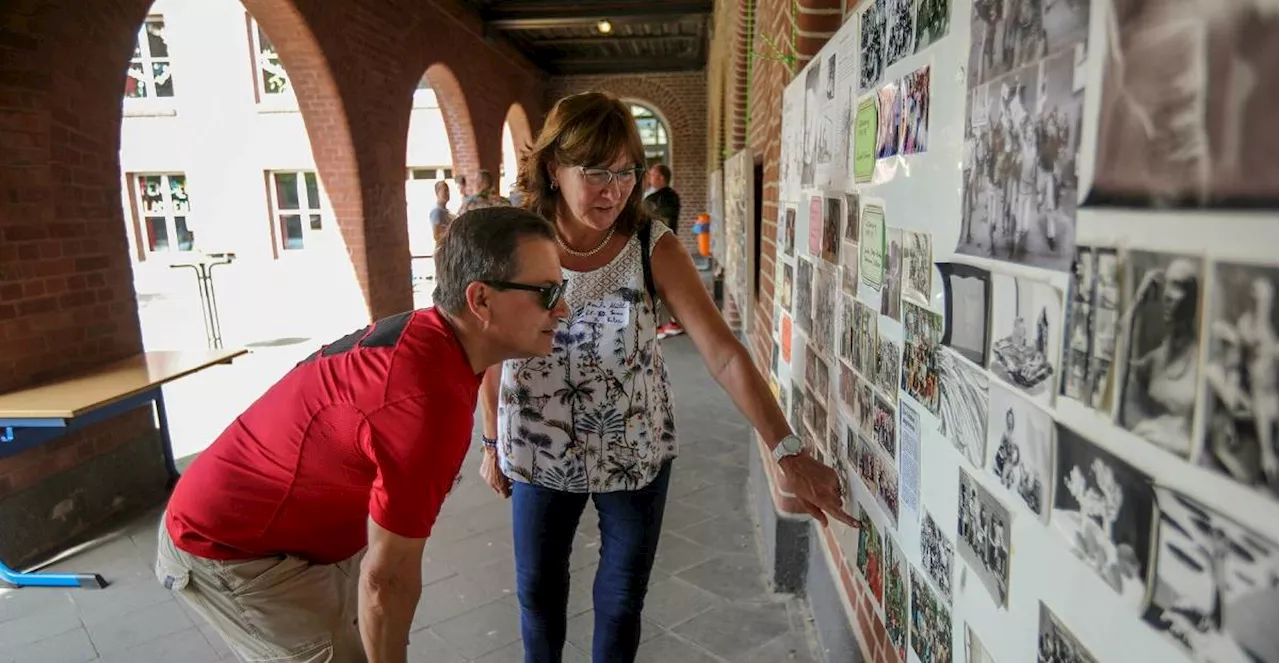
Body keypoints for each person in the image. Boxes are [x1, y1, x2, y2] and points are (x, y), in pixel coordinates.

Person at [476, 91, 856, 663]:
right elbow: (489, 350)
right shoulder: (515, 244)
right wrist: (489, 441)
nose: (616, 188)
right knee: (537, 597)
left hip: (634, 451)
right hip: (538, 451)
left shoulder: (653, 246)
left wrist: (787, 450)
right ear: (554, 168)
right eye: (597, 171)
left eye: (627, 170)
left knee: (622, 602)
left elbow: (724, 354)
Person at [155, 207, 570, 663]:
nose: (563, 309)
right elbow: (387, 580)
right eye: (548, 292)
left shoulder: (440, 340)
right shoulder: (425, 402)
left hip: (296, 535)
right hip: (231, 546)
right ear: (481, 300)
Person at [643, 164, 684, 338]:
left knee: (657, 286)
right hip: (662, 247)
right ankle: (671, 322)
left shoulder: (659, 199)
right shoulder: (664, 196)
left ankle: (663, 324)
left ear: (661, 178)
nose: (649, 177)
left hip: (657, 248)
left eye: (652, 174)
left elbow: (653, 222)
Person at [429, 180, 453, 244]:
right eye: (445, 191)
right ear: (437, 193)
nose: (447, 193)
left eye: (448, 191)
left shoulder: (446, 211)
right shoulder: (437, 211)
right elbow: (436, 236)